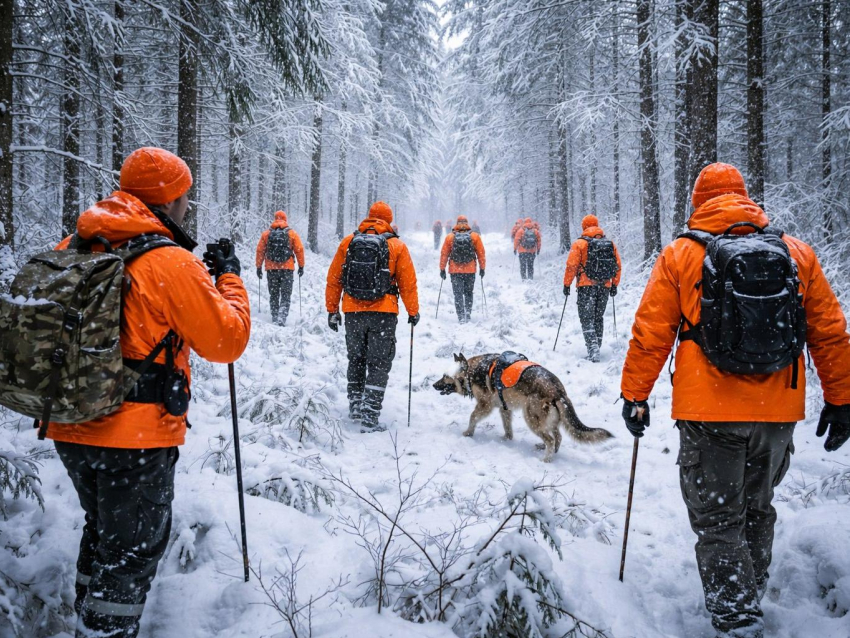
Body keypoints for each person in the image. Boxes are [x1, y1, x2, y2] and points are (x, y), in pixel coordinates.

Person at [620, 163, 850, 638]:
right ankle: (749, 593)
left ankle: (738, 619)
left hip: (709, 414)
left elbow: (651, 333)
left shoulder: (681, 254)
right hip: (777, 414)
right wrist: (841, 397)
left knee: (718, 516)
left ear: (698, 203)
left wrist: (635, 395)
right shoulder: (796, 253)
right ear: (748, 199)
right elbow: (829, 332)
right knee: (757, 507)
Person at [50, 147, 251, 637]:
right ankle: (102, 630)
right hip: (133, 438)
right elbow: (226, 341)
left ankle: (85, 616)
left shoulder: (72, 246)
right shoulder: (168, 262)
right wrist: (229, 279)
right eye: (184, 196)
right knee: (130, 556)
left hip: (69, 423)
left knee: (102, 535)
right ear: (170, 199)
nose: (188, 205)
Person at [326, 201, 420, 432]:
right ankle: (370, 415)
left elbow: (334, 278)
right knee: (379, 362)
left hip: (352, 311)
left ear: (368, 217)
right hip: (383, 313)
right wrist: (413, 311)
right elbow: (408, 284)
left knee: (356, 358)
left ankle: (356, 405)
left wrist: (332, 310)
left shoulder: (349, 242)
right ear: (388, 219)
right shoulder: (397, 245)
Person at [563, 214, 622, 362]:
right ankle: (597, 346)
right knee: (598, 317)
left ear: (584, 226)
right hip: (605, 286)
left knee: (586, 318)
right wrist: (614, 284)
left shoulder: (579, 244)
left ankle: (593, 348)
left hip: (586, 286)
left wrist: (567, 284)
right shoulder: (609, 243)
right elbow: (618, 266)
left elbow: (571, 266)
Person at [255, 210, 305, 326]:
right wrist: (301, 266)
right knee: (286, 294)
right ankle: (282, 317)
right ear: (285, 219)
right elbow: (299, 250)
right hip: (287, 268)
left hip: (271, 268)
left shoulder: (266, 234)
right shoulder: (292, 233)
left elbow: (260, 251)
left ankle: (274, 316)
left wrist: (258, 267)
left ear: (275, 219)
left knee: (274, 293)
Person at [439, 215, 486, 324]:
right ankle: (468, 313)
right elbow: (481, 253)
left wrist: (442, 269)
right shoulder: (475, 236)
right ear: (467, 223)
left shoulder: (450, 237)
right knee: (468, 292)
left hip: (455, 270)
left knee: (458, 293)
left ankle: (460, 316)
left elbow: (444, 254)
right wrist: (482, 268)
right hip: (470, 270)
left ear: (457, 223)